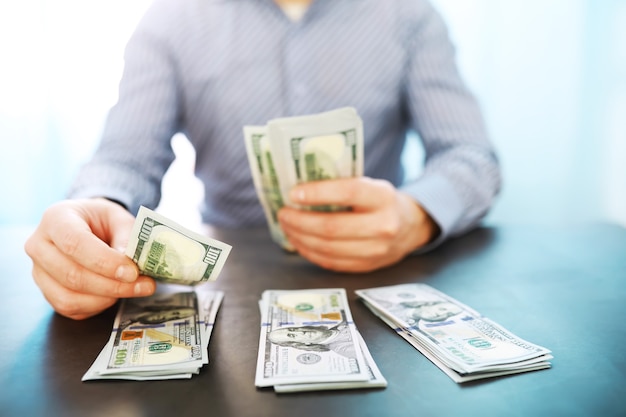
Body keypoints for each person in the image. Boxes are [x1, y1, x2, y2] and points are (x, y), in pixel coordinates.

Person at [24, 0, 501, 320]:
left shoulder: (409, 14)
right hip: (231, 296)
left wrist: (414, 217)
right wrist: (94, 209)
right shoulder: (171, 19)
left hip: (380, 284)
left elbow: (471, 156)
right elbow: (124, 160)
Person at [267, 322, 356, 358]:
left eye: (293, 330)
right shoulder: (343, 349)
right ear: (305, 344)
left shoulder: (342, 323)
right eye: (293, 336)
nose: (301, 332)